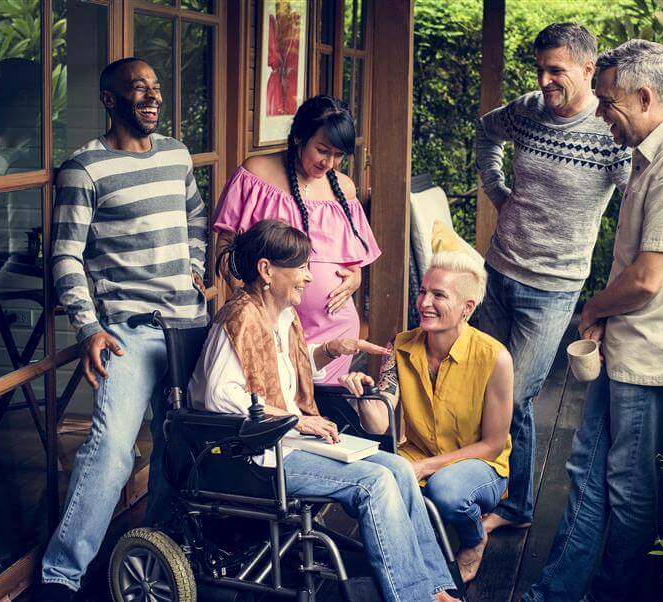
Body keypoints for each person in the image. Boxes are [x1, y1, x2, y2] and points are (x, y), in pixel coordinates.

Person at [524, 40, 663, 601]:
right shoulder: (657, 147)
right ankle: (555, 593)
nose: (599, 114)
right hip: (626, 351)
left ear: (644, 97)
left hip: (647, 359)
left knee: (627, 491)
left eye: (608, 102)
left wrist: (592, 309)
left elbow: (647, 279)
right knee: (588, 476)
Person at [189, 219, 460, 602]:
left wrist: (330, 350)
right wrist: (297, 420)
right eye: (300, 267)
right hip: (252, 456)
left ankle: (433, 587)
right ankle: (413, 597)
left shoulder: (280, 316)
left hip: (287, 443)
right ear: (266, 270)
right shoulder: (241, 318)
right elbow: (218, 395)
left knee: (396, 467)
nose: (307, 277)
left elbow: (283, 377)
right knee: (374, 483)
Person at [37, 57, 209, 600]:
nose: (152, 98)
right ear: (111, 100)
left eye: (156, 89)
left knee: (180, 446)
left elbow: (197, 216)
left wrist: (199, 266)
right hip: (129, 332)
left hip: (189, 324)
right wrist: (88, 327)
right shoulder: (84, 169)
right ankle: (60, 577)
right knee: (110, 449)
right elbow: (65, 256)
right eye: (139, 90)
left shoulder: (177, 153)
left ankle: (156, 544)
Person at [474, 22, 632, 534]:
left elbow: (635, 212)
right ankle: (480, 486)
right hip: (498, 271)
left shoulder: (612, 135)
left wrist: (612, 297)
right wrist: (499, 193)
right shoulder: (526, 110)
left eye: (555, 70)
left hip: (554, 289)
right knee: (481, 383)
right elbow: (485, 133)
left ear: (589, 69)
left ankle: (516, 506)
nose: (544, 80)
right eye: (540, 69)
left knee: (515, 395)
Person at [344, 249, 514, 583]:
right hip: (416, 456)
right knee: (360, 485)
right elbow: (379, 424)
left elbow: (493, 445)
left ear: (467, 308)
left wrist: (423, 467)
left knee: (447, 492)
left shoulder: (495, 358)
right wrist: (364, 398)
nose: (424, 302)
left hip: (481, 467)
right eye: (423, 291)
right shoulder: (401, 345)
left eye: (439, 295)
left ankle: (474, 538)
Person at [213, 95, 380, 384]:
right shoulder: (255, 173)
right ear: (300, 137)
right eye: (322, 150)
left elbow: (355, 260)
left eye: (339, 155)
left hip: (336, 330)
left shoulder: (345, 188)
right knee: (277, 410)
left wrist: (356, 278)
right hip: (273, 326)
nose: (329, 162)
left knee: (326, 419)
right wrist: (254, 306)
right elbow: (225, 247)